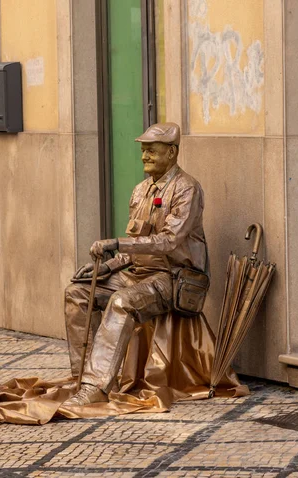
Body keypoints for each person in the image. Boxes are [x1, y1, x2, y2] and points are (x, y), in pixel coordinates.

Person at [63, 122, 208, 406]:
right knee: (78, 293)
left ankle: (96, 388)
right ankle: (82, 377)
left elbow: (167, 241)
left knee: (121, 302)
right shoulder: (140, 190)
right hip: (139, 274)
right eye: (143, 151)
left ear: (172, 153)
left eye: (152, 151)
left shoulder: (186, 188)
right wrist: (104, 268)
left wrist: (116, 243)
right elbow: (135, 248)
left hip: (173, 278)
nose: (144, 157)